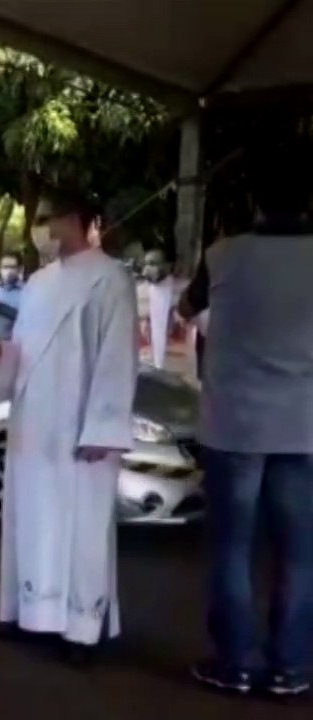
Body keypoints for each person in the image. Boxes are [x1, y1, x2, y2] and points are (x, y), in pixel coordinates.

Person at [0, 188, 138, 666]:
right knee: (33, 523)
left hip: (80, 426)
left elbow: (118, 358)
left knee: (80, 529)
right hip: (34, 423)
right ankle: (33, 615)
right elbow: (26, 350)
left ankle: (81, 630)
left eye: (47, 218)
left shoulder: (110, 278)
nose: (39, 229)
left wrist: (103, 429)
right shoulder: (39, 283)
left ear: (75, 219)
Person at [189, 141, 313, 699]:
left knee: (232, 548)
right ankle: (289, 668)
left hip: (233, 426)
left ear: (255, 201)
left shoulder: (222, 254)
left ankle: (234, 664)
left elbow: (187, 308)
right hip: (304, 427)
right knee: (299, 553)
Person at [141, 248, 180, 370]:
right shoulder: (148, 289)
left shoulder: (175, 288)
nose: (147, 269)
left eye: (152, 264)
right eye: (146, 264)